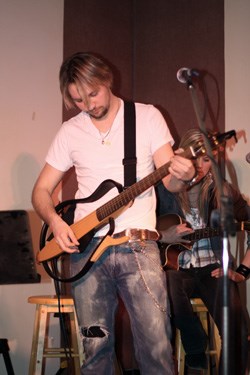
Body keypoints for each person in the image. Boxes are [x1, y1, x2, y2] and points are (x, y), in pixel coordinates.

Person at [31, 52, 196, 374]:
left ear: (107, 80)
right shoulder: (70, 131)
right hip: (86, 249)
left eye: (93, 94)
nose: (89, 105)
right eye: (78, 100)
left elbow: (171, 183)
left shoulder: (147, 117)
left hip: (139, 245)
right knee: (95, 350)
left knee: (157, 348)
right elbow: (40, 191)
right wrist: (54, 221)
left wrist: (183, 173)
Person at [156, 128, 250, 374]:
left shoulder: (225, 191)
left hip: (213, 269)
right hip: (176, 269)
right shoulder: (163, 191)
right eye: (193, 159)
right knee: (165, 285)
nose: (199, 166)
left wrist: (242, 271)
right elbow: (141, 233)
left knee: (238, 328)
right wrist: (166, 235)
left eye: (206, 159)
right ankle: (196, 347)